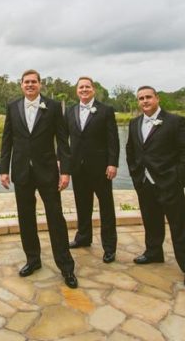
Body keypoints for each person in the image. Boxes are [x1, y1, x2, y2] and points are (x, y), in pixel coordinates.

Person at [0, 70, 77, 288]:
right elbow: (7, 141)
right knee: (25, 217)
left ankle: (66, 267)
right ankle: (33, 260)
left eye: (34, 82)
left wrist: (65, 171)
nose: (30, 85)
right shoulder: (13, 107)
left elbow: (63, 141)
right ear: (21, 85)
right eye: (27, 82)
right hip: (21, 171)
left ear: (40, 84)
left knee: (55, 218)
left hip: (47, 171)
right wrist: (3, 169)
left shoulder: (52, 107)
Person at [125, 85, 185, 289]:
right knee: (151, 221)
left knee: (180, 226)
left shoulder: (175, 121)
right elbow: (131, 151)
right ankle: (153, 252)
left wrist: (177, 177)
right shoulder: (134, 123)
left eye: (148, 97)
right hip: (145, 183)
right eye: (141, 98)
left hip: (169, 183)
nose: (145, 101)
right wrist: (136, 176)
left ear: (157, 98)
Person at [65, 77, 120, 263]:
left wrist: (113, 163)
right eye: (81, 87)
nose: (84, 90)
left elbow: (113, 140)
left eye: (87, 87)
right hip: (78, 168)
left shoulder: (105, 111)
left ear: (93, 89)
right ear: (76, 90)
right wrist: (63, 162)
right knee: (82, 204)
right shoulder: (70, 111)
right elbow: (64, 140)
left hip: (101, 168)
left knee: (106, 207)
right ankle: (83, 237)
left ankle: (109, 247)